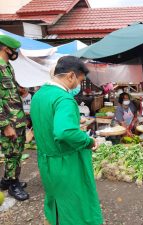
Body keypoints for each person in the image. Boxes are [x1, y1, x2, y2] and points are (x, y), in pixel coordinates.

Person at [30, 56, 103, 225]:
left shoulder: (40, 94)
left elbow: (47, 123)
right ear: (70, 76)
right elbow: (65, 132)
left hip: (46, 161)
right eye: (79, 81)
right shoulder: (64, 98)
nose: (78, 86)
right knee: (75, 208)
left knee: (54, 203)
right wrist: (88, 141)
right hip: (66, 163)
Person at [0, 35, 29, 201]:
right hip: (8, 121)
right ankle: (12, 184)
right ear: (6, 48)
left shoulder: (7, 66)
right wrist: (5, 126)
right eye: (14, 50)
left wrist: (19, 90)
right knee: (12, 153)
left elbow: (8, 88)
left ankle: (7, 180)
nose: (16, 53)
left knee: (17, 151)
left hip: (16, 118)